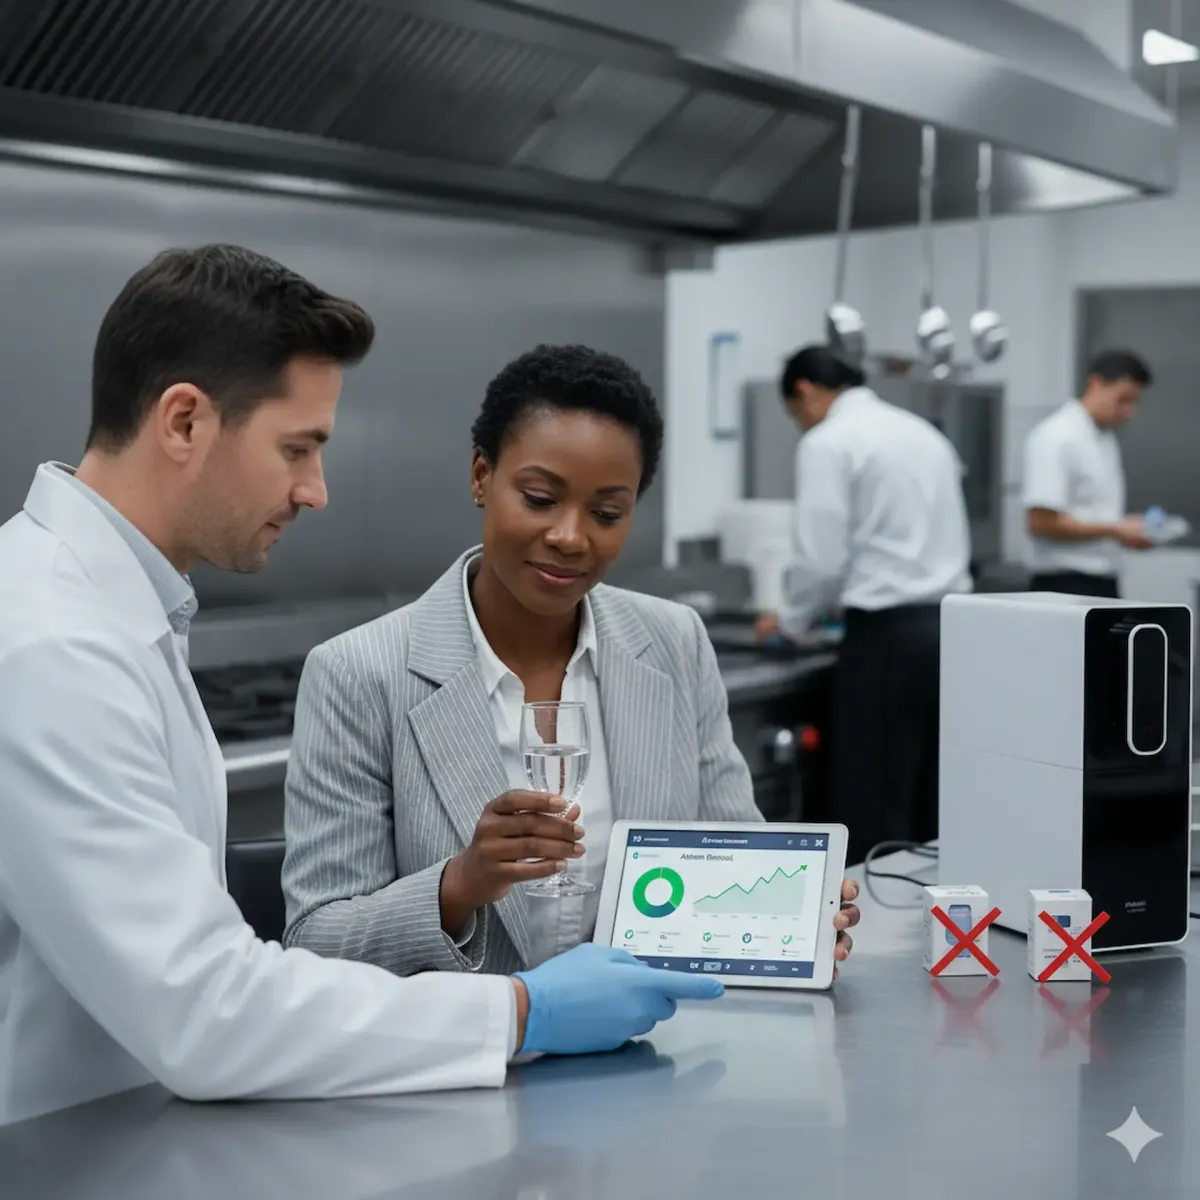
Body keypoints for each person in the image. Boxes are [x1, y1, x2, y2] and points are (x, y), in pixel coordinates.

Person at [0, 246, 727, 1129]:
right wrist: (522, 1011)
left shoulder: (111, 613)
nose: (316, 491)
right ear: (184, 421)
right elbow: (204, 1008)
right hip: (57, 1148)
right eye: (297, 448)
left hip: (117, 1131)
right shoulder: (50, 644)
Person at [280, 344, 861, 976]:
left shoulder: (673, 642)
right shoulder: (359, 673)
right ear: (481, 476)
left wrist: (791, 919)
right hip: (463, 1059)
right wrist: (461, 884)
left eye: (608, 513)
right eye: (538, 498)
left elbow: (731, 861)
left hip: (648, 1052)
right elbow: (316, 941)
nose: (570, 537)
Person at [755, 346, 971, 864]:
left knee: (874, 797)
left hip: (888, 640)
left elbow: (821, 559)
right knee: (931, 800)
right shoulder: (924, 433)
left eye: (794, 411)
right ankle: (932, 930)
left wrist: (790, 622)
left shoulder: (829, 441)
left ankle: (870, 935)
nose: (799, 422)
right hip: (953, 632)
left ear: (803, 390)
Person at [1022, 349, 1154, 598]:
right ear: (1095, 383)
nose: (1128, 412)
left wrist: (1127, 531)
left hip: (1102, 582)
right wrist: (1116, 530)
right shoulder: (1057, 436)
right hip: (1063, 586)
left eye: (1134, 402)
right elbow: (1040, 522)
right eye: (1123, 399)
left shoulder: (1104, 438)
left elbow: (1093, 513)